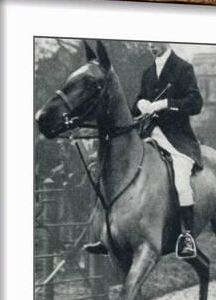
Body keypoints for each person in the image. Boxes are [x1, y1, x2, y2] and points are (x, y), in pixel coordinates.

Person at [85, 42, 203, 259]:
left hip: (177, 138)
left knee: (181, 182)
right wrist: (140, 103)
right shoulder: (148, 72)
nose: (151, 47)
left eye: (154, 43)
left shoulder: (183, 68)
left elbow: (195, 103)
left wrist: (165, 104)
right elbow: (139, 99)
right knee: (109, 171)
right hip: (147, 134)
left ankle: (187, 237)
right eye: (149, 43)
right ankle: (106, 234)